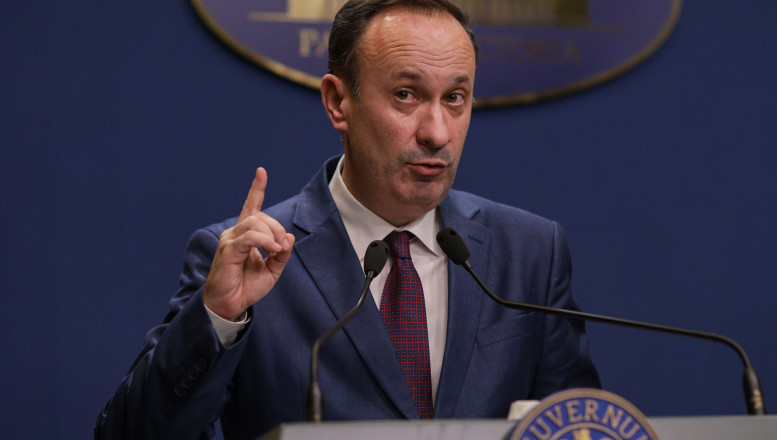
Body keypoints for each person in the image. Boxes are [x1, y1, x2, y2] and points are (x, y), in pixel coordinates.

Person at [95, 0, 600, 438]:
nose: (437, 133)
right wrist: (219, 319)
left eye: (454, 98)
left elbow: (577, 428)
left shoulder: (530, 252)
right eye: (406, 95)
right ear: (338, 102)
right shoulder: (252, 258)